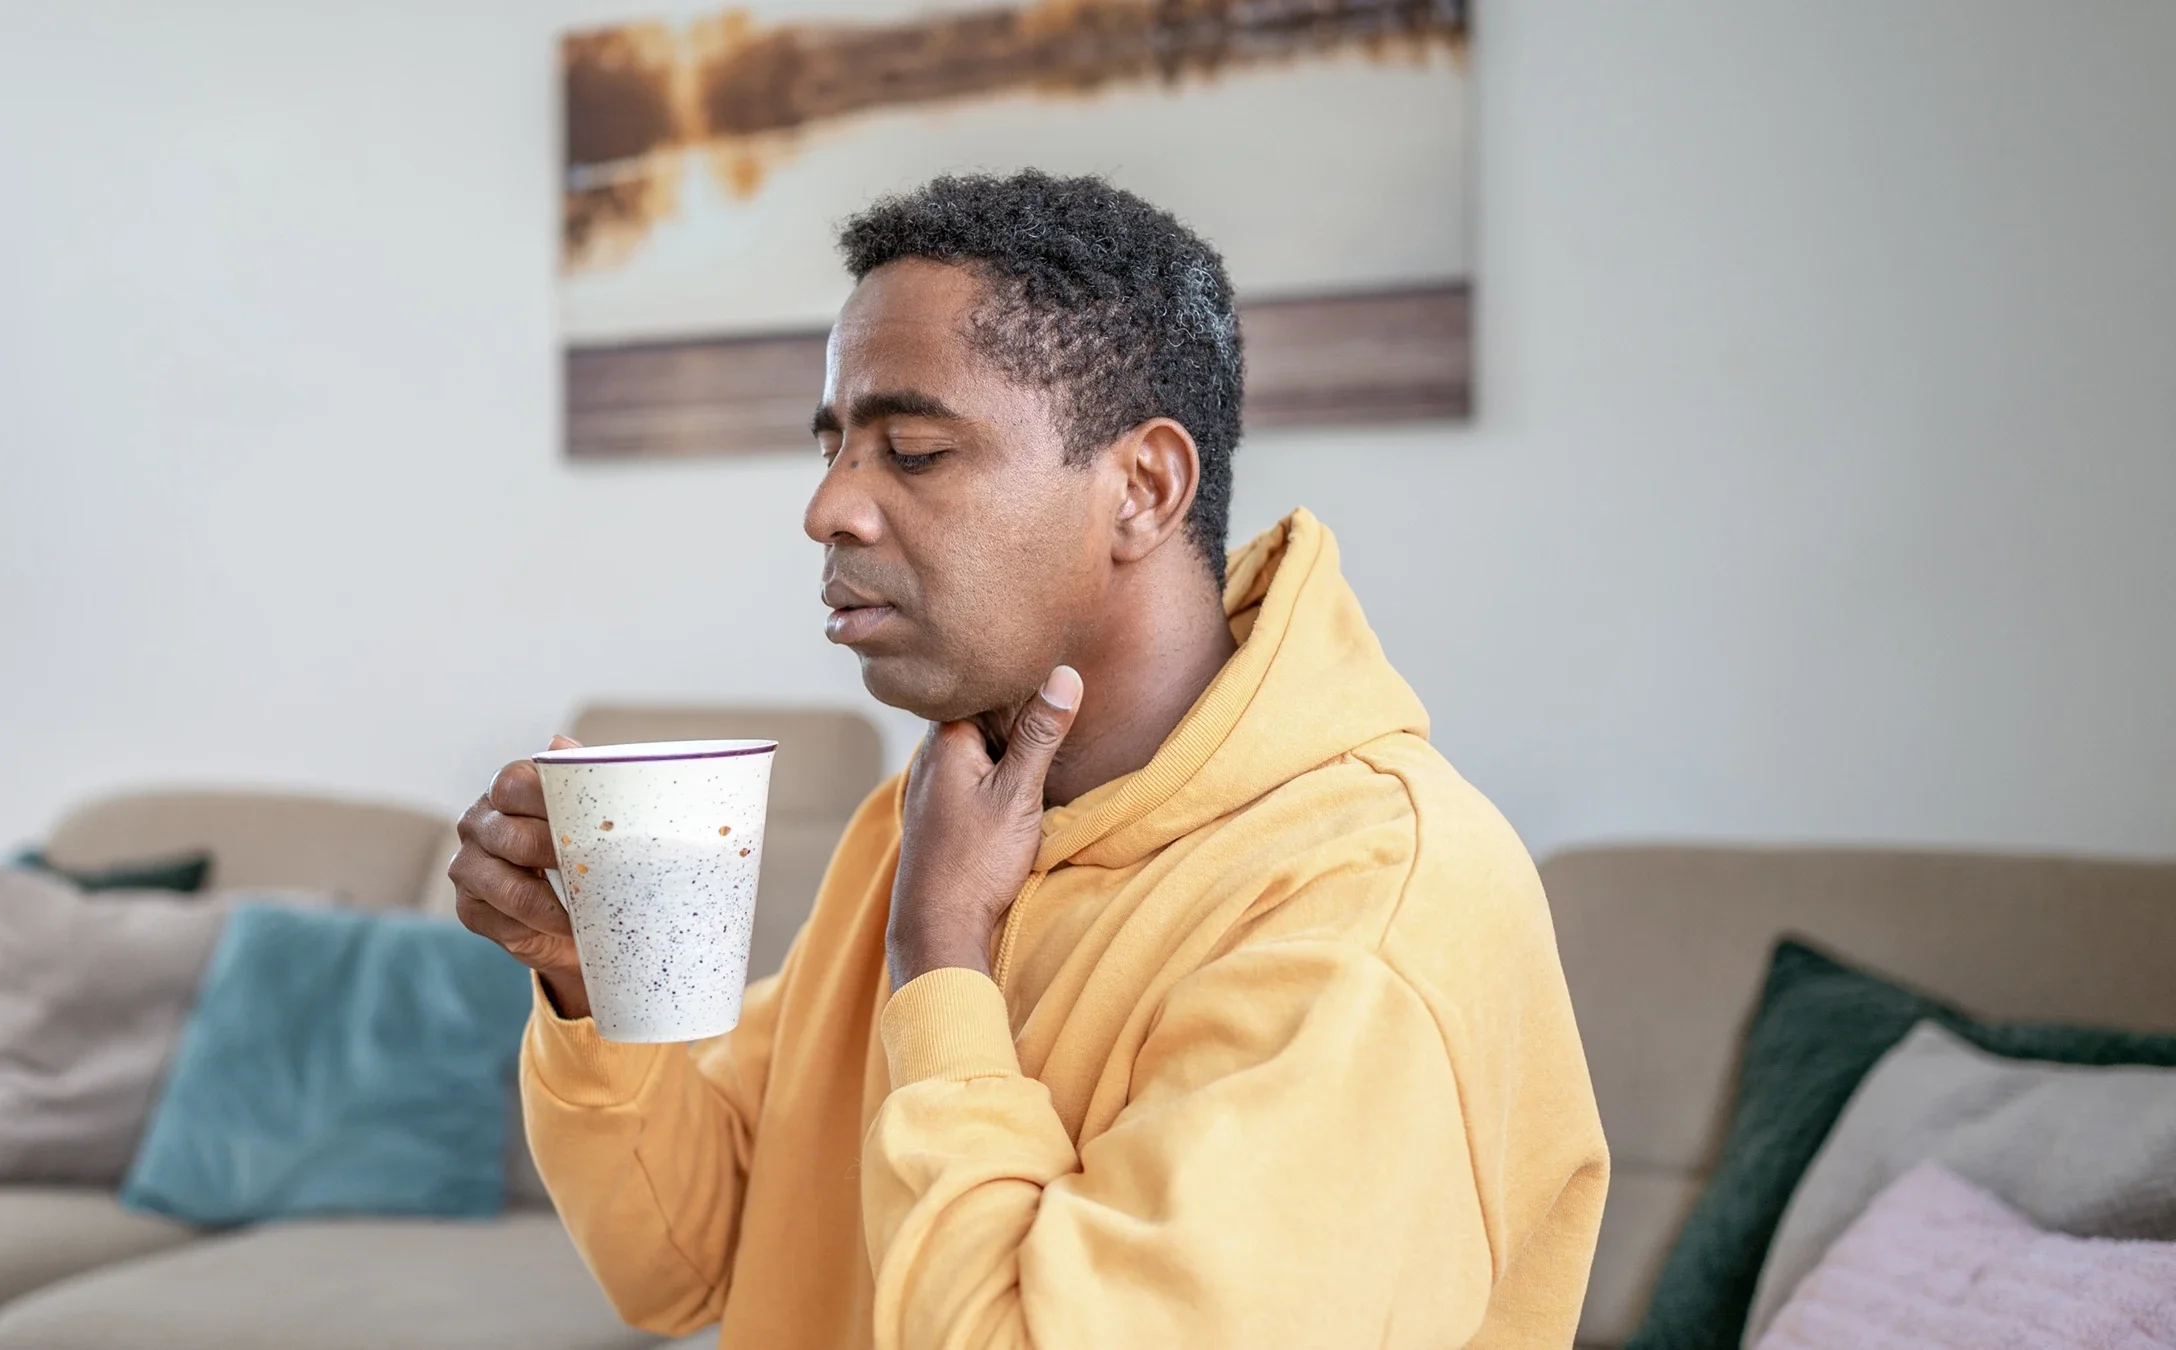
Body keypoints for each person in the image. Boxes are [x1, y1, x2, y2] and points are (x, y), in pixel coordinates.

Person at [451, 171, 1608, 1350]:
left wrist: (942, 959)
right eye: (835, 446)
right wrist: (595, 983)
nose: (827, 508)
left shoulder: (1369, 911)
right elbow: (678, 1265)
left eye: (911, 450)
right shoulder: (932, 820)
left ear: (1143, 490)